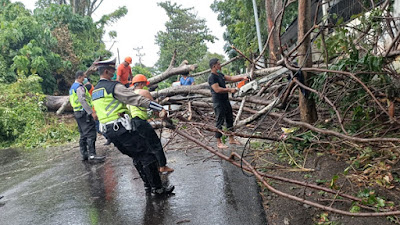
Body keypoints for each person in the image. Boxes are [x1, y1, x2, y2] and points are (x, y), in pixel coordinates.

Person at [92, 58, 174, 195]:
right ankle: (158, 188)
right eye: (112, 70)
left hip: (109, 132)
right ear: (106, 71)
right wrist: (159, 107)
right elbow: (137, 100)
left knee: (137, 156)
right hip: (121, 129)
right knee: (148, 155)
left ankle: (149, 186)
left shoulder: (95, 92)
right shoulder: (113, 87)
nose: (114, 73)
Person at [128, 74, 174, 173]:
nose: (145, 86)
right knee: (155, 143)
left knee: (145, 145)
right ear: (140, 83)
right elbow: (153, 105)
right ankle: (162, 166)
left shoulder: (129, 94)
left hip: (132, 122)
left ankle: (152, 166)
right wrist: (162, 115)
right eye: (144, 84)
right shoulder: (144, 92)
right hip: (140, 121)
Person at [208, 58, 248, 149]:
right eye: (219, 64)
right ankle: (219, 142)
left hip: (225, 100)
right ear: (214, 66)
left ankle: (231, 138)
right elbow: (217, 89)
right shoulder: (212, 77)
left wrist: (242, 77)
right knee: (220, 121)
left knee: (229, 119)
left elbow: (230, 78)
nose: (220, 65)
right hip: (218, 102)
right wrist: (230, 89)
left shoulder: (220, 75)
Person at [69, 71, 105, 161]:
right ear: (80, 77)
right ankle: (92, 155)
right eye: (84, 77)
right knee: (90, 134)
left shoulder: (72, 87)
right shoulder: (79, 87)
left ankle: (84, 154)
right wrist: (91, 112)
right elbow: (82, 100)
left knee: (83, 134)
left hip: (77, 112)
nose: (85, 79)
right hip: (84, 112)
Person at [83, 78, 112, 146]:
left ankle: (109, 137)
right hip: (96, 107)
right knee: (99, 125)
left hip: (94, 108)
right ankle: (109, 137)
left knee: (98, 126)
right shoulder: (93, 87)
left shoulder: (88, 87)